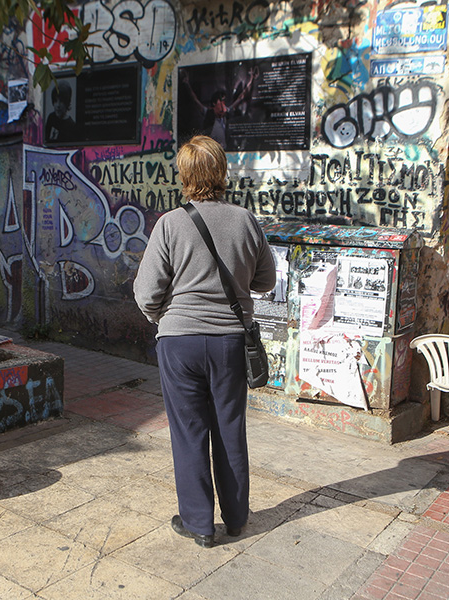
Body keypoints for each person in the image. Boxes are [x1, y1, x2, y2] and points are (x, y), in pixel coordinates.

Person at [133, 135, 276, 548]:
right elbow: (265, 279)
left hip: (180, 344)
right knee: (230, 429)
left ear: (184, 175)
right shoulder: (245, 220)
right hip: (232, 341)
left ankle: (198, 524)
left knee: (189, 432)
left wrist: (162, 319)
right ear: (222, 172)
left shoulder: (170, 224)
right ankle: (236, 519)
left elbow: (146, 293)